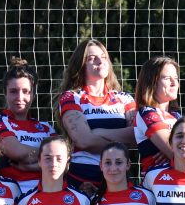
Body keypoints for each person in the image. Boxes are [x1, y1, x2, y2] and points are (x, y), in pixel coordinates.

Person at [56, 39, 135, 190]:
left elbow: (136, 134)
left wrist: (99, 132)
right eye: (92, 58)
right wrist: (119, 150)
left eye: (103, 57)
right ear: (80, 65)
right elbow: (84, 141)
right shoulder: (71, 97)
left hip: (118, 177)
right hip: (83, 178)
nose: (100, 61)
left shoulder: (125, 98)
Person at [0, 58, 56, 195]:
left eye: (26, 91)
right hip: (12, 194)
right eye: (13, 91)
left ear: (33, 94)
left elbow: (64, 161)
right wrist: (47, 159)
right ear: (5, 93)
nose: (20, 97)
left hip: (46, 193)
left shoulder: (46, 127)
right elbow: (17, 152)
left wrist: (31, 166)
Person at [129, 56, 183, 177]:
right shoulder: (146, 113)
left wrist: (176, 149)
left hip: (180, 180)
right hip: (158, 182)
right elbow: (179, 155)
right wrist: (180, 149)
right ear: (152, 83)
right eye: (167, 78)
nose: (174, 83)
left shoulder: (177, 116)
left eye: (176, 78)